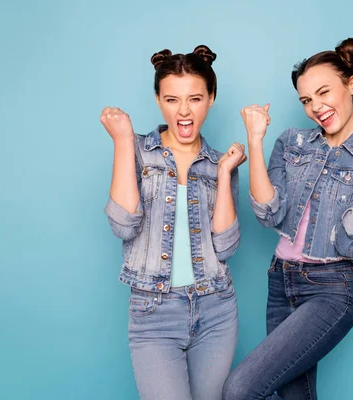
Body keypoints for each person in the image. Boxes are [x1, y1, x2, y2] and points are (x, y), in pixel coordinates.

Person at [223, 38, 353, 399]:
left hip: (332, 289)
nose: (316, 107)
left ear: (351, 85)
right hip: (281, 282)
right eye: (306, 100)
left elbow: (351, 241)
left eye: (324, 92)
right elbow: (268, 213)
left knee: (239, 389)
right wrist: (255, 141)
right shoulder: (292, 143)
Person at [101, 45, 245, 400]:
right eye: (172, 99)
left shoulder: (219, 162)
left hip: (216, 309)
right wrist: (122, 140)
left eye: (195, 98)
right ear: (158, 100)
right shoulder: (136, 150)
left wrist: (225, 173)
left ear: (211, 98)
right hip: (153, 312)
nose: (183, 111)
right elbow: (123, 225)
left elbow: (226, 246)